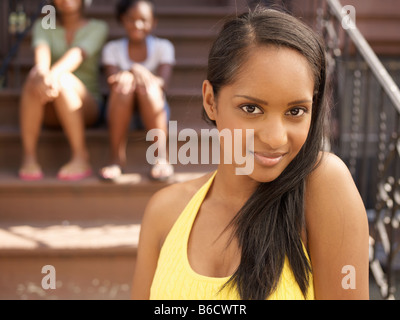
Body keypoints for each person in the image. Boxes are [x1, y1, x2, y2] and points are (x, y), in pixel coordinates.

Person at [131, 7, 370, 300]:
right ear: (211, 101)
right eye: (251, 109)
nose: (275, 138)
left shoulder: (323, 186)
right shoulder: (164, 211)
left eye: (295, 111)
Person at [18, 0, 108, 181]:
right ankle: (29, 157)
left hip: (87, 106)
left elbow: (76, 55)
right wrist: (42, 75)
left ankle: (80, 156)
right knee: (34, 76)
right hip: (49, 100)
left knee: (63, 78)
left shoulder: (98, 27)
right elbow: (41, 57)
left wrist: (51, 76)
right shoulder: (44, 25)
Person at [99, 0, 175, 181]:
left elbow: (162, 83)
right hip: (121, 111)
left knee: (148, 87)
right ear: (122, 20)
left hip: (153, 109)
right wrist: (133, 70)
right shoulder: (112, 49)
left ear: (153, 22)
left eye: (143, 20)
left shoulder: (163, 47)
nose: (137, 25)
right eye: (131, 19)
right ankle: (116, 158)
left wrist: (137, 71)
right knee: (123, 87)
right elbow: (113, 82)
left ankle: (161, 157)